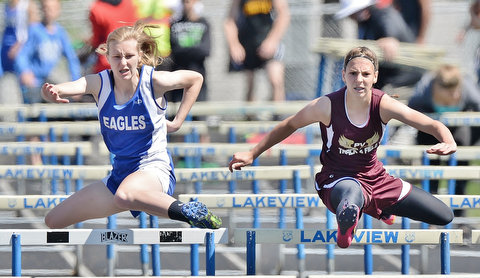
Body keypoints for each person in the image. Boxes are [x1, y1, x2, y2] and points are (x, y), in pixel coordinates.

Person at [228, 46, 455, 248]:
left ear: (375, 77)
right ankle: (351, 221)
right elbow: (289, 124)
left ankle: (378, 207)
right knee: (352, 194)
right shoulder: (326, 106)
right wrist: (253, 152)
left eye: (366, 74)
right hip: (337, 181)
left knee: (443, 215)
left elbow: (430, 123)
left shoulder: (383, 104)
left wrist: (447, 139)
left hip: (376, 180)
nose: (359, 79)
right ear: (343, 75)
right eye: (353, 73)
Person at [40, 20, 222, 230]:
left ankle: (189, 211)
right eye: (116, 57)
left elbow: (195, 79)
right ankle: (136, 198)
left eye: (129, 56)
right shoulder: (100, 83)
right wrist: (50, 92)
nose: (123, 63)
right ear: (107, 57)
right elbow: (66, 87)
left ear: (140, 56)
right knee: (53, 220)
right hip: (120, 174)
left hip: (153, 169)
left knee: (125, 195)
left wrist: (178, 121)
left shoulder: (153, 82)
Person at [408, 64, 480, 217]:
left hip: (458, 129)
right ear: (438, 88)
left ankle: (460, 219)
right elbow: (408, 112)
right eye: (450, 94)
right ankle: (431, 217)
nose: (455, 96)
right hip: (431, 130)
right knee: (431, 175)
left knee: (460, 174)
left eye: (457, 92)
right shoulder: (424, 89)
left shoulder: (467, 87)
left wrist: (474, 140)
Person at [334, 0, 424, 90]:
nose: (351, 17)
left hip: (401, 82)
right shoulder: (365, 25)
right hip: (388, 81)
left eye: (352, 13)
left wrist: (390, 37)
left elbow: (388, 23)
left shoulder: (381, 14)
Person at [14, 0, 81, 104]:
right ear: (42, 10)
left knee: (65, 99)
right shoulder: (35, 30)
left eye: (53, 9)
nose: (49, 12)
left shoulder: (60, 33)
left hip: (49, 80)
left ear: (58, 10)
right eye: (46, 8)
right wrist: (25, 71)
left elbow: (72, 59)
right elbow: (22, 55)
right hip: (35, 82)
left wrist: (76, 82)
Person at [224, 0, 290, 103]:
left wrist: (272, 41)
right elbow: (230, 21)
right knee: (250, 85)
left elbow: (284, 15)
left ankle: (278, 116)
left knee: (276, 80)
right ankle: (250, 117)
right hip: (248, 43)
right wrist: (234, 45)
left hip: (268, 39)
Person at [168, 0, 211, 104]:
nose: (185, 5)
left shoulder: (203, 23)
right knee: (177, 110)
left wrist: (184, 50)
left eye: (188, 2)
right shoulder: (174, 24)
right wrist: (193, 49)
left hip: (198, 72)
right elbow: (174, 50)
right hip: (178, 73)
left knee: (199, 111)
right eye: (183, 2)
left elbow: (205, 50)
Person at [87, 0, 139, 74]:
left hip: (109, 62)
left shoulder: (97, 8)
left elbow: (97, 39)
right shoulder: (130, 3)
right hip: (132, 59)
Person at [1, 0, 39, 74]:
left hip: (20, 44)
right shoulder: (7, 5)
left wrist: (18, 46)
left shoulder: (27, 5)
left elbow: (33, 31)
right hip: (5, 44)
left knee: (18, 71)